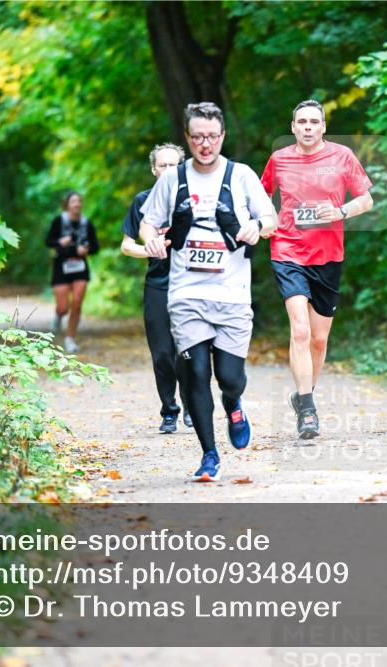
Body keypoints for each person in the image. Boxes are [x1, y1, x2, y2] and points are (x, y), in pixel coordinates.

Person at [140, 102, 277, 481]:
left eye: (212, 136)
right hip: (187, 295)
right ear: (188, 137)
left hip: (232, 295)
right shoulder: (172, 180)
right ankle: (209, 455)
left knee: (229, 378)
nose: (205, 144)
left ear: (222, 137)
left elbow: (271, 219)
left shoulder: (241, 176)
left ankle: (233, 403)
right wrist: (151, 242)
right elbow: (148, 225)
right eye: (198, 136)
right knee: (195, 372)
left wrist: (256, 227)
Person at [260, 100, 373, 439]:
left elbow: (366, 200)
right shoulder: (279, 159)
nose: (307, 127)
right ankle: (308, 409)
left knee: (320, 340)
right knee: (300, 330)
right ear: (293, 127)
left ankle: (303, 393)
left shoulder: (342, 156)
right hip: (288, 251)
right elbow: (261, 195)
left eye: (314, 122)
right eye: (301, 122)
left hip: (328, 257)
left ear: (323, 127)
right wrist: (267, 220)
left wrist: (339, 213)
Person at [120, 143, 194, 433]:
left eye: (173, 165)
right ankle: (169, 411)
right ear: (153, 170)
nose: (167, 171)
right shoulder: (142, 201)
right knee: (162, 352)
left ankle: (191, 404)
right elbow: (127, 246)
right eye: (161, 166)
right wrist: (150, 249)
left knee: (187, 349)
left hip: (191, 282)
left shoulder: (193, 199)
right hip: (158, 283)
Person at [46, 191, 99, 353]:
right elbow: (48, 241)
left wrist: (86, 250)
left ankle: (70, 339)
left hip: (80, 268)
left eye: (79, 201)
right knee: (63, 307)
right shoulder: (59, 221)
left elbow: (96, 246)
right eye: (73, 201)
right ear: (67, 204)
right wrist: (59, 242)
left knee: (76, 304)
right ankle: (58, 315)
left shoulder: (86, 223)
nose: (77, 204)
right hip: (61, 267)